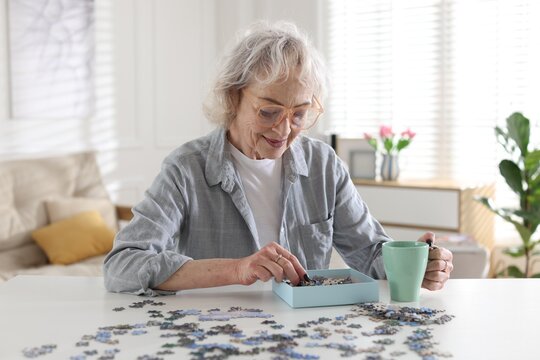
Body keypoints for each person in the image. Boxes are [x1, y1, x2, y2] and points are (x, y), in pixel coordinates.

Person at [103, 21, 453, 296]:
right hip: (215, 330)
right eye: (269, 111)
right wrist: (238, 270)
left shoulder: (323, 165)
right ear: (232, 98)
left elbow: (372, 255)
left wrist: (419, 264)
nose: (285, 130)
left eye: (299, 113)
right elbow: (123, 265)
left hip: (305, 334)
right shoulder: (186, 169)